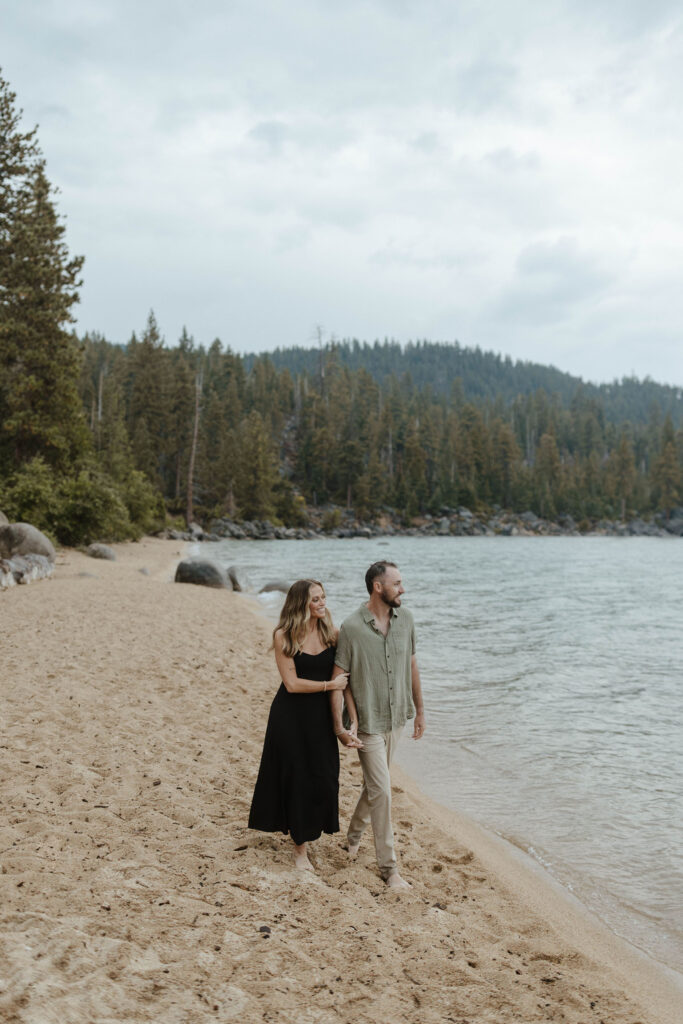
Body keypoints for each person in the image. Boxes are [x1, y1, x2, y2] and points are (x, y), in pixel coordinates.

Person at [248, 579, 358, 871]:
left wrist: (352, 721)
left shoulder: (333, 635)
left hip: (321, 719)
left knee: (324, 776)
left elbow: (346, 681)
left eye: (323, 598)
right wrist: (328, 684)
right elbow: (292, 684)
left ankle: (310, 829)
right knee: (296, 779)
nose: (322, 603)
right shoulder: (283, 637)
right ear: (301, 605)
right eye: (315, 600)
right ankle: (300, 850)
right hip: (290, 716)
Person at [330, 561, 425, 888]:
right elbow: (339, 679)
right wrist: (343, 725)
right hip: (368, 723)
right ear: (377, 587)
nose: (403, 589)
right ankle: (390, 869)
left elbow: (412, 665)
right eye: (397, 583)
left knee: (376, 786)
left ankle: (353, 834)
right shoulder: (352, 628)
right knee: (383, 791)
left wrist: (421, 710)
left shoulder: (407, 620)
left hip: (396, 716)